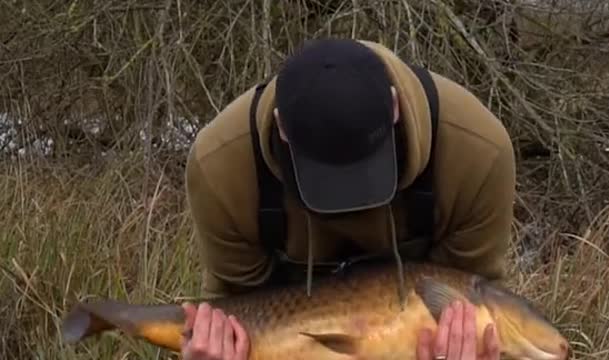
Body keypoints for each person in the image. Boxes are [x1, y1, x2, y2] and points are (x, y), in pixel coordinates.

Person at [182, 38, 516, 360]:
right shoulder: (221, 166)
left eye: (363, 170)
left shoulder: (478, 152)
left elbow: (472, 286)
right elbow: (235, 299)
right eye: (328, 178)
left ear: (395, 105)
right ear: (281, 126)